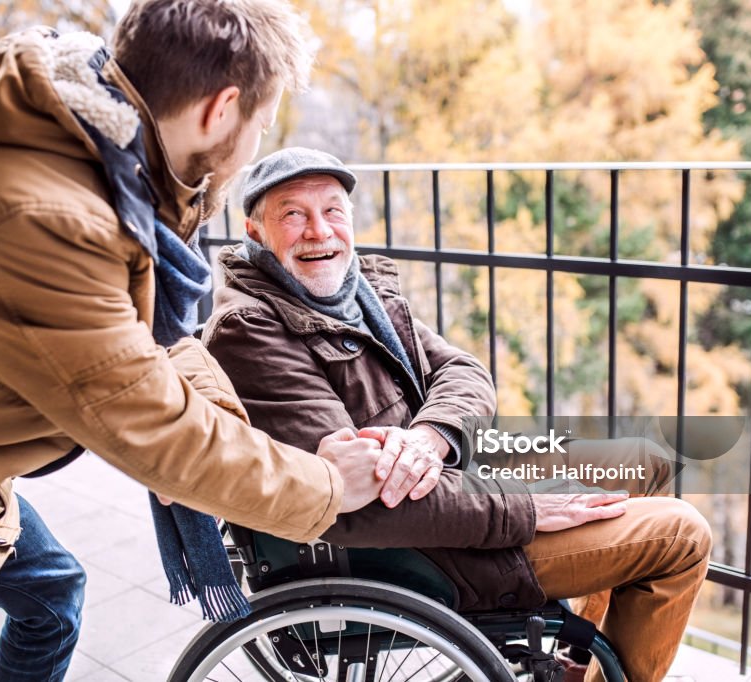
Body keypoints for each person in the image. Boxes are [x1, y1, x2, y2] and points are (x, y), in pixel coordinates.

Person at [0, 4, 388, 680]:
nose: (255, 145)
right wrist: (328, 486)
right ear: (223, 110)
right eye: (263, 123)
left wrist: (245, 435)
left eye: (335, 210)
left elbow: (163, 346)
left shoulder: (108, 165)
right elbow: (158, 431)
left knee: (52, 593)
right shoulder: (43, 220)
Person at [202, 146, 714, 682]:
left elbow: (464, 372)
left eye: (333, 210)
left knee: (645, 462)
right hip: (430, 543)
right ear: (255, 232)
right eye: (292, 214)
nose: (319, 230)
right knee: (682, 536)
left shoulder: (356, 295)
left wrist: (430, 436)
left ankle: (578, 668)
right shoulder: (251, 330)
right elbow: (353, 504)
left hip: (454, 478)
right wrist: (529, 509)